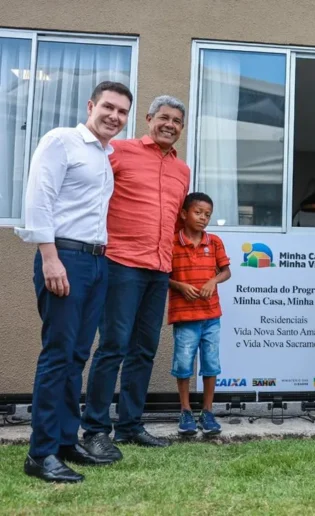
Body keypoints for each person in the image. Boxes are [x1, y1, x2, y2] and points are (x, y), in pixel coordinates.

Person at [14, 82, 133, 483]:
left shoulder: (105, 155)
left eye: (122, 112)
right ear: (91, 105)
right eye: (108, 107)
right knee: (58, 354)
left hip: (98, 262)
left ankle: (66, 441)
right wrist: (50, 257)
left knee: (78, 355)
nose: (114, 117)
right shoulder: (62, 141)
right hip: (65, 257)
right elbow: (38, 199)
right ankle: (41, 453)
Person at [81, 96, 191, 458]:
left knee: (144, 350)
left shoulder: (182, 170)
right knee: (113, 346)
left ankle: (130, 425)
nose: (170, 125)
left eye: (177, 120)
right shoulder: (119, 152)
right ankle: (96, 428)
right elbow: (90, 195)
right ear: (148, 119)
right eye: (164, 117)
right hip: (121, 264)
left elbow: (175, 220)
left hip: (159, 269)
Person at [168, 192, 231, 436]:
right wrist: (179, 286)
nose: (203, 218)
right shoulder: (172, 242)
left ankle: (207, 411)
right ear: (184, 214)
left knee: (211, 363)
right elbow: (162, 275)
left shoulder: (214, 242)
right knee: (183, 363)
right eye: (198, 212)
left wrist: (213, 281)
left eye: (207, 214)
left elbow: (226, 271)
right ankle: (185, 411)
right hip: (184, 317)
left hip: (211, 316)